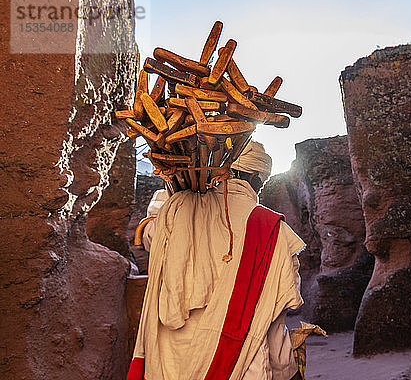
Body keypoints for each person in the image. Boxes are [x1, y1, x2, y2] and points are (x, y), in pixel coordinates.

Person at [127, 140, 305, 380]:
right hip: (240, 367)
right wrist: (287, 371)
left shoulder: (176, 209)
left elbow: (149, 236)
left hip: (169, 364)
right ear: (256, 179)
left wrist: (167, 196)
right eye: (261, 182)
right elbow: (272, 323)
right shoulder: (273, 230)